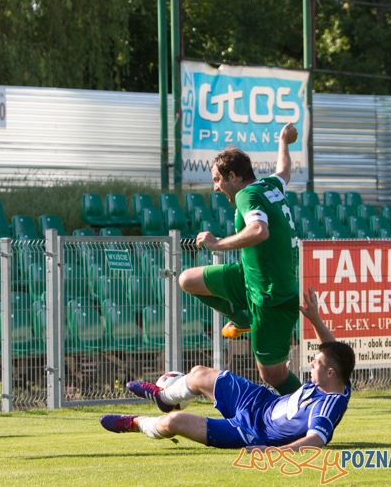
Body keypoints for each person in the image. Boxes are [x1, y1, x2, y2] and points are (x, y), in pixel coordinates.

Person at [100, 287, 354, 451]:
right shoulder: (337, 375)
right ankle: (163, 397)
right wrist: (315, 319)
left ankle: (137, 423)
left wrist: (273, 451)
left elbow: (316, 440)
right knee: (198, 373)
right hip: (260, 401)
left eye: (317, 363)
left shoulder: (329, 403)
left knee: (174, 421)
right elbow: (331, 350)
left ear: (330, 373)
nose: (311, 363)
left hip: (253, 432)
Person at [179, 122, 301, 395]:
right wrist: (283, 141)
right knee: (188, 279)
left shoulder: (246, 195)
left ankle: (311, 410)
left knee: (271, 374)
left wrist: (217, 244)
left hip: (272, 294)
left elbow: (259, 230)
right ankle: (241, 317)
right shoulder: (268, 185)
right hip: (248, 278)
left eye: (217, 179)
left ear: (233, 175)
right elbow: (284, 171)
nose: (215, 187)